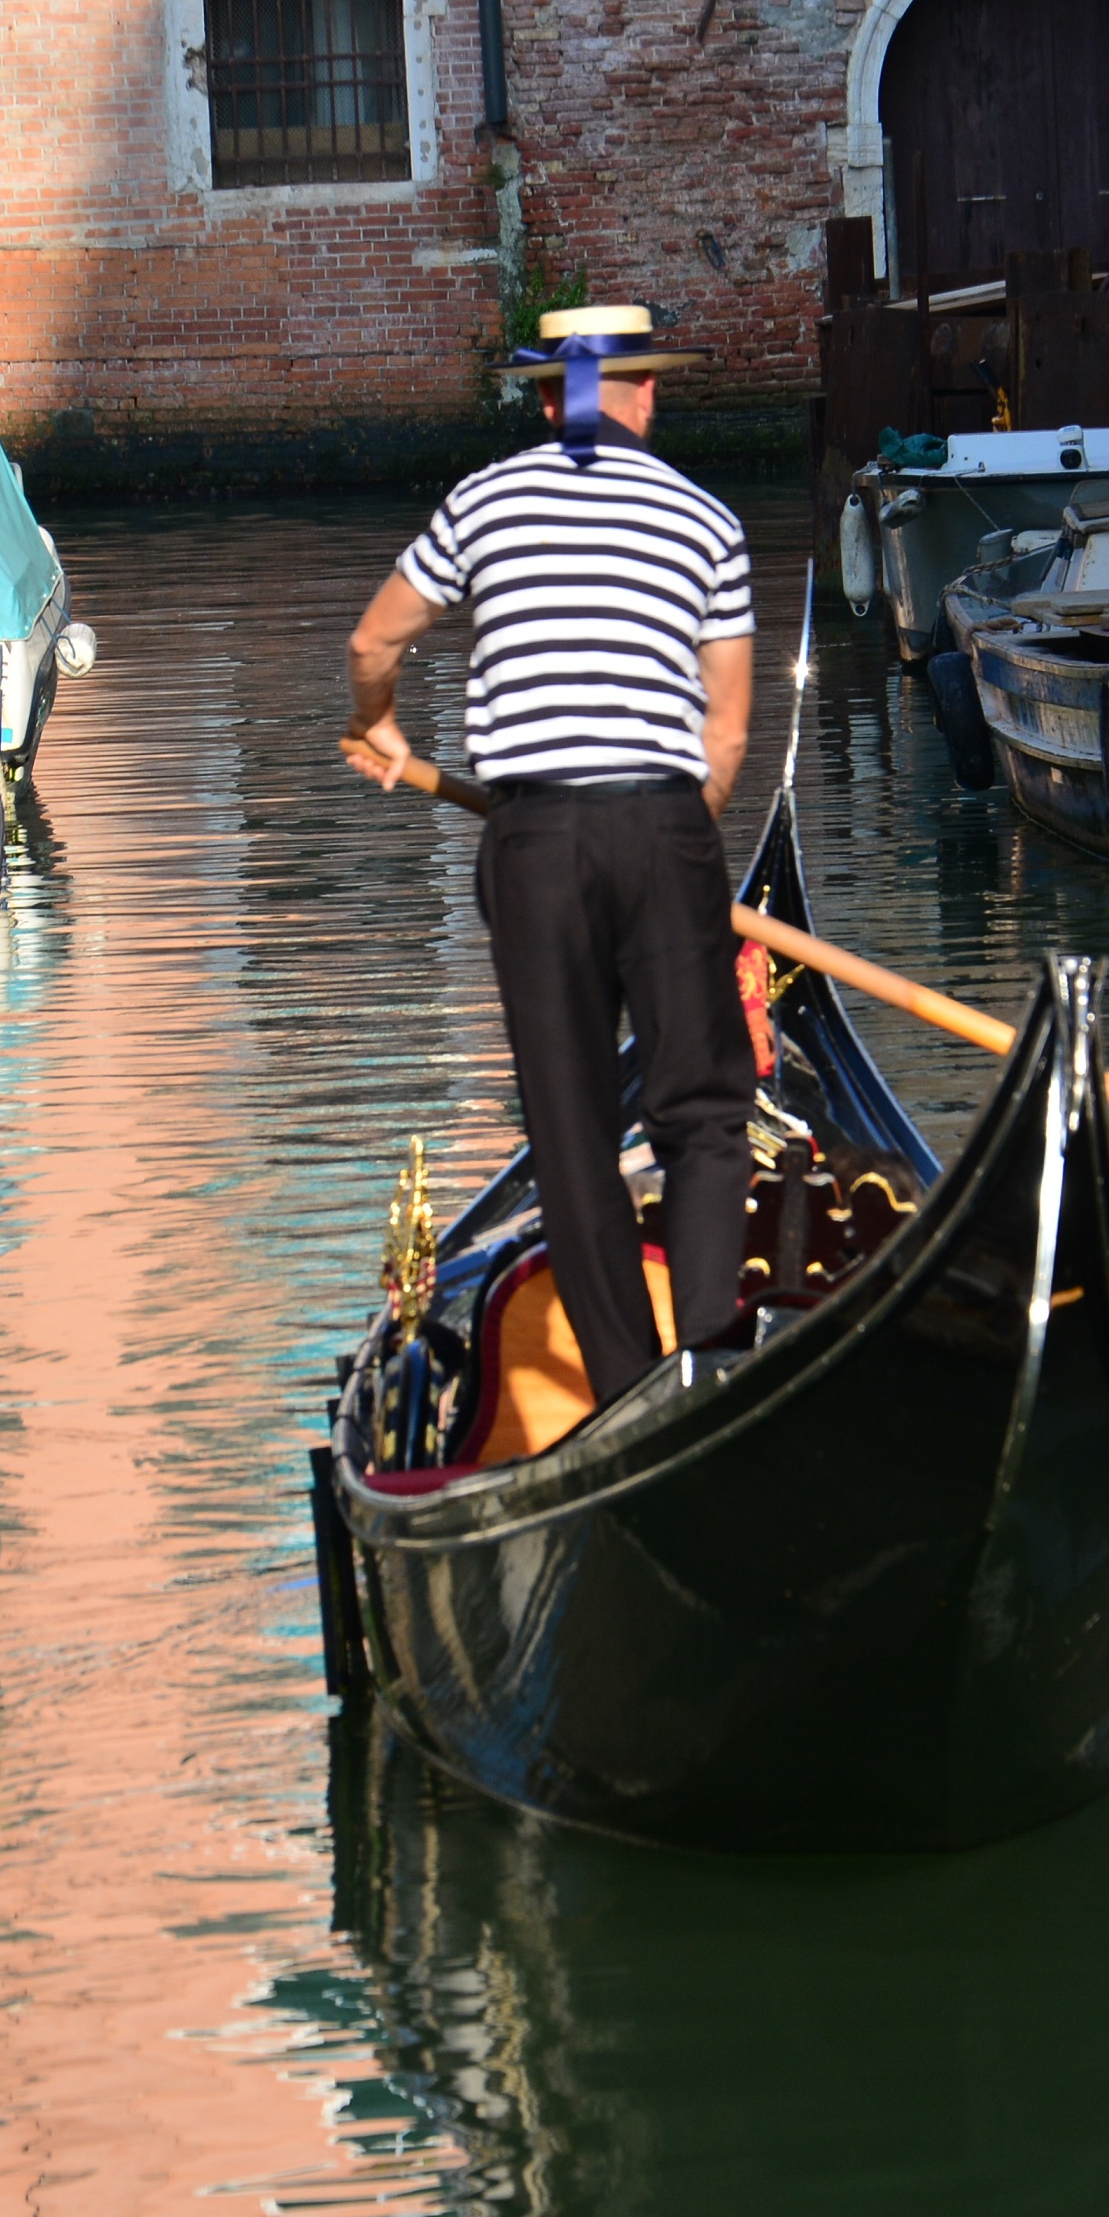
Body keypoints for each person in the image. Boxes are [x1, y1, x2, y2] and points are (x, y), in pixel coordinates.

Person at [346, 302, 757, 1408]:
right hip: (665, 824)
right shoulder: (707, 517)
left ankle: (630, 1392)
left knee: (572, 1131)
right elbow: (725, 732)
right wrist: (676, 831)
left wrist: (381, 723)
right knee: (705, 1112)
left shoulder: (483, 501)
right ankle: (714, 1363)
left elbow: (373, 638)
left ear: (543, 398)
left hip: (529, 840)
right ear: (648, 393)